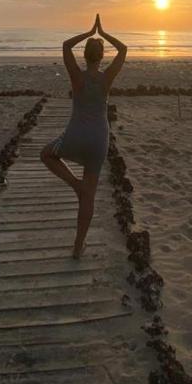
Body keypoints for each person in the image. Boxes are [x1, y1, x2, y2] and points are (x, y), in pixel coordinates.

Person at [40, 14, 127, 258]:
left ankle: (75, 185)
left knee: (46, 154)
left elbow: (66, 46)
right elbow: (124, 49)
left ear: (85, 55)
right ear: (101, 57)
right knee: (88, 197)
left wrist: (89, 33)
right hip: (98, 141)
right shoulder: (106, 78)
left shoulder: (77, 77)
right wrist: (104, 33)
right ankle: (78, 246)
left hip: (75, 136)